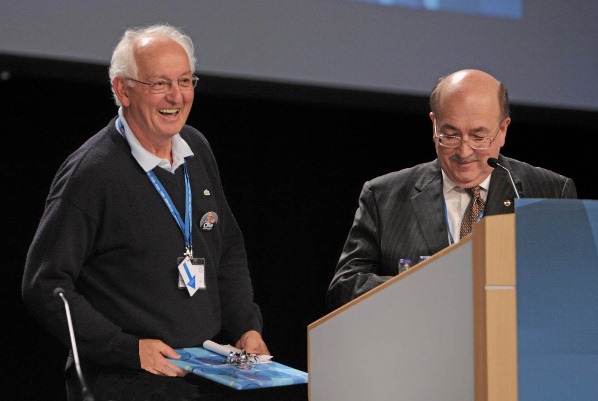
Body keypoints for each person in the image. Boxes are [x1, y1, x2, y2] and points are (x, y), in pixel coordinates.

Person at [22, 24, 269, 400]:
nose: (176, 96)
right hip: (122, 382)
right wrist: (125, 348)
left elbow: (228, 250)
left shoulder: (196, 149)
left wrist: (245, 327)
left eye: (185, 81)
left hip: (197, 377)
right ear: (123, 90)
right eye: (160, 84)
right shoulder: (91, 173)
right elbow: (45, 284)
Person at [327, 69, 577, 310]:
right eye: (451, 135)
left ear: (502, 130)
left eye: (479, 137)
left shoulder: (549, 192)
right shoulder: (383, 196)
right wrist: (425, 288)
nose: (464, 151)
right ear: (434, 126)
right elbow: (345, 287)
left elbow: (570, 289)